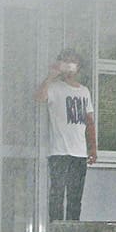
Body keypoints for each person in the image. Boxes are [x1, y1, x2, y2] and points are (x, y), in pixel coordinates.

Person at [34, 50, 97, 221]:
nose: (70, 65)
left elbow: (89, 121)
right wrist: (50, 76)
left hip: (79, 154)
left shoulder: (84, 91)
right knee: (57, 196)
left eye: (73, 62)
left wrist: (93, 148)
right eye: (66, 61)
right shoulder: (54, 88)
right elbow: (39, 97)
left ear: (79, 67)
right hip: (59, 153)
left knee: (75, 199)